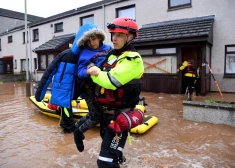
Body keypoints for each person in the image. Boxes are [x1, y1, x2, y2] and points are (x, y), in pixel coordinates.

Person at [73, 16, 144, 167]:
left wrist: (93, 70)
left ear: (130, 37)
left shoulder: (133, 59)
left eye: (119, 35)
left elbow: (110, 81)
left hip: (119, 118)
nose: (114, 39)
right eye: (113, 35)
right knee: (113, 156)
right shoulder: (112, 55)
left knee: (105, 163)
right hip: (106, 116)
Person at [35, 23, 111, 133]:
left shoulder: (93, 51)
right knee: (66, 111)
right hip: (65, 90)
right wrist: (39, 94)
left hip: (80, 88)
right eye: (88, 41)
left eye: (93, 39)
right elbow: (48, 73)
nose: (91, 43)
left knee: (73, 110)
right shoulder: (67, 55)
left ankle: (69, 130)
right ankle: (67, 132)